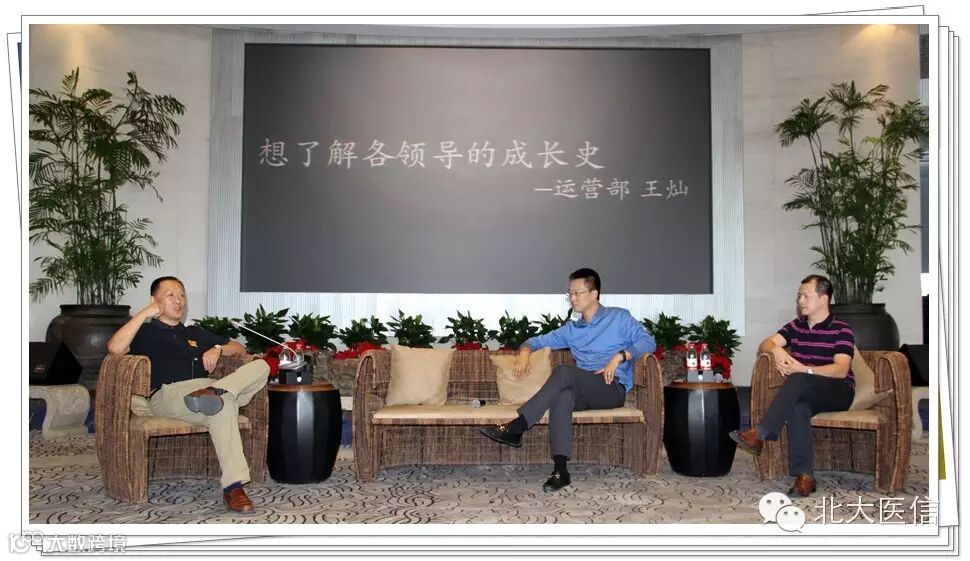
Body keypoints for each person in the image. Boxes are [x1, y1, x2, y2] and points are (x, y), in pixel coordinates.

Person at [479, 268, 656, 492]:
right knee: (563, 396)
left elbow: (648, 342)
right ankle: (560, 470)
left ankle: (518, 426)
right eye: (569, 293)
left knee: (564, 371)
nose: (572, 298)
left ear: (594, 294)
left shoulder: (619, 318)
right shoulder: (571, 330)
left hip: (611, 388)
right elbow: (534, 341)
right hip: (584, 390)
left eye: (577, 293)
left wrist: (619, 356)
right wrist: (524, 354)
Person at [106, 276, 269, 513]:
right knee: (223, 406)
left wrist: (217, 349)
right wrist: (145, 313)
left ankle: (216, 391)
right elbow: (115, 348)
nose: (179, 300)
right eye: (171, 295)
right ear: (154, 300)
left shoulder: (195, 333)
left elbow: (239, 348)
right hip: (169, 394)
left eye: (182, 295)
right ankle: (234, 488)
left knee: (261, 366)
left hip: (207, 388)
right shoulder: (144, 332)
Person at [729, 274, 856, 497]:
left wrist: (804, 369)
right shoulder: (796, 326)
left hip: (838, 391)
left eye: (806, 296)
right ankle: (805, 476)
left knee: (797, 378)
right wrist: (777, 350)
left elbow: (841, 370)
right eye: (799, 296)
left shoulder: (841, 329)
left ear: (824, 298)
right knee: (798, 407)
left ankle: (760, 433)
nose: (801, 301)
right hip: (807, 391)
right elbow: (765, 344)